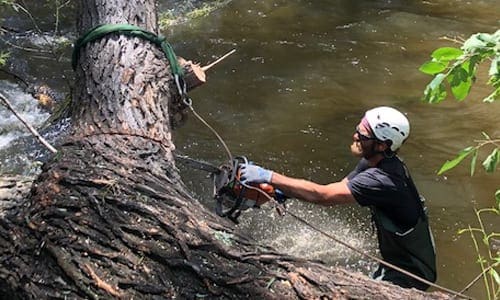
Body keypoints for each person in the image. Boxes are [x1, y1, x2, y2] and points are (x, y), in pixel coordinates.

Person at [239, 106, 437, 290]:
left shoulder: (383, 180)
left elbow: (323, 196)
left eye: (363, 134)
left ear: (382, 145)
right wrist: (282, 191)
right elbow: (336, 189)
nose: (355, 136)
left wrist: (269, 176)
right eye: (358, 129)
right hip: (397, 263)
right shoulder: (375, 162)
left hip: (411, 274)